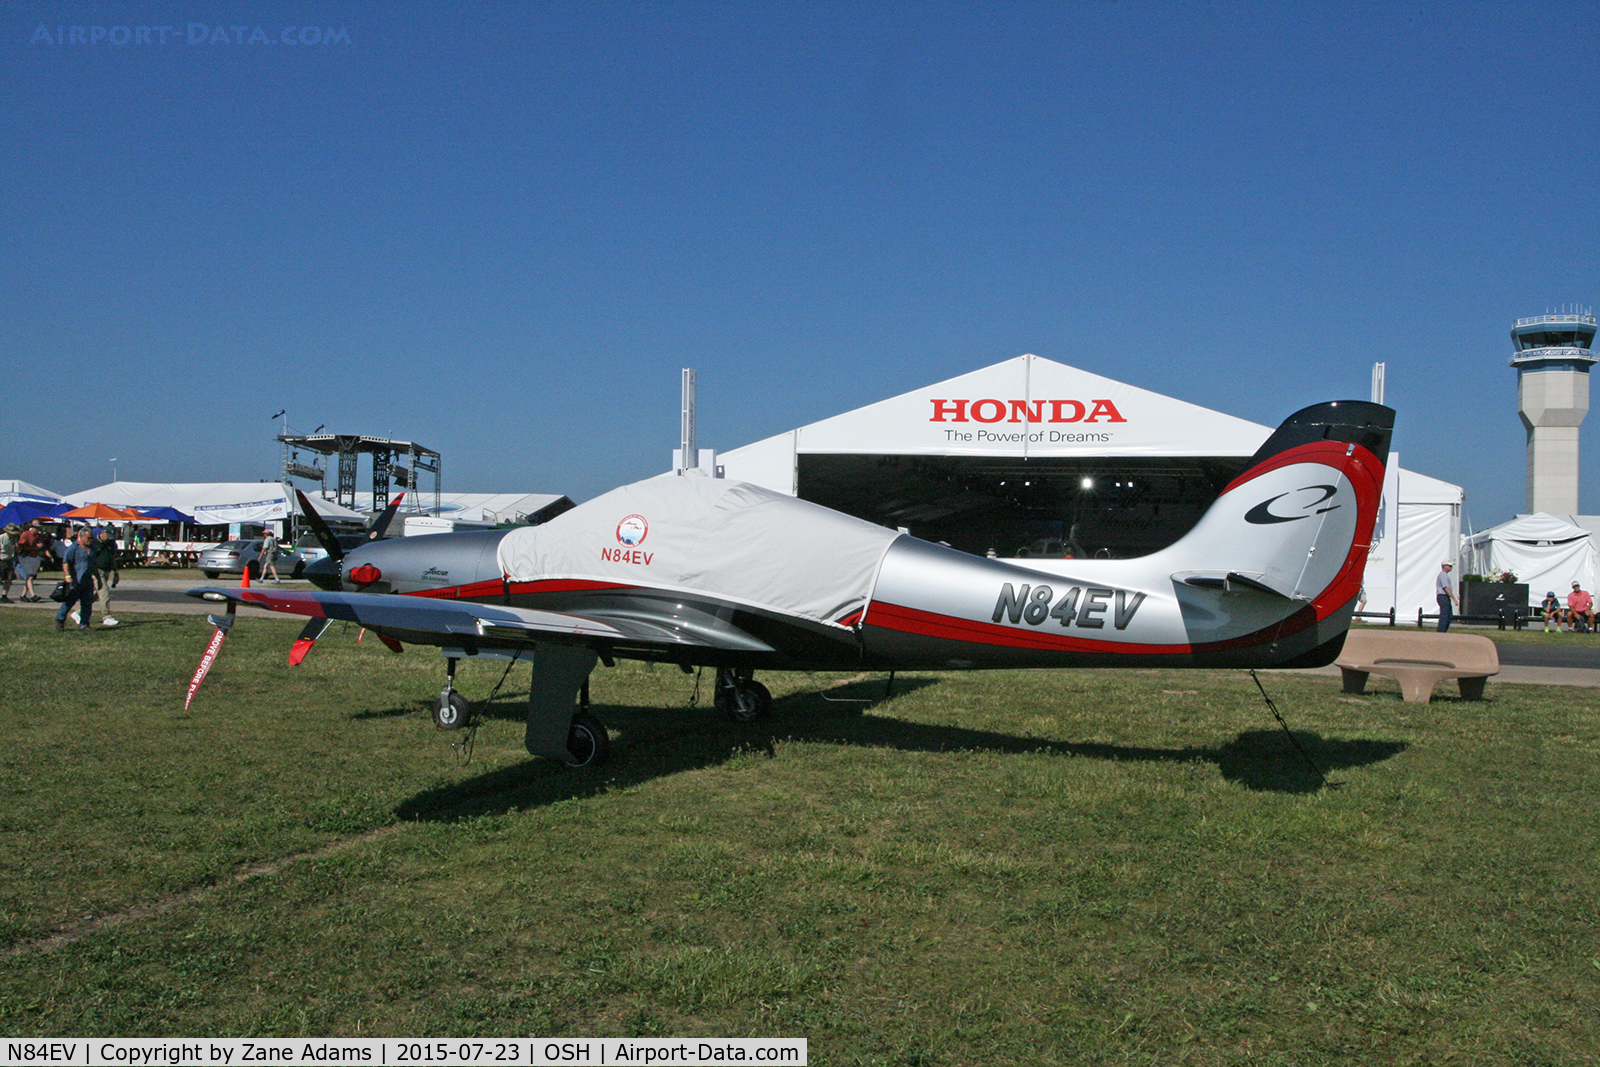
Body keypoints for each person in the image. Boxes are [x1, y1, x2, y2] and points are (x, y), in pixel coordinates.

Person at [55, 527, 97, 632]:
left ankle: (84, 624)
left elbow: (93, 564)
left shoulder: (92, 549)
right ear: (81, 537)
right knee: (69, 603)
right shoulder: (73, 548)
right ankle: (60, 620)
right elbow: (66, 563)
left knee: (87, 603)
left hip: (87, 581)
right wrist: (68, 576)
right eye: (88, 538)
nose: (90, 540)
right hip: (75, 581)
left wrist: (98, 579)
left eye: (91, 538)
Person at [92, 526, 121, 627]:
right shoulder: (94, 543)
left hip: (106, 571)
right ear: (102, 533)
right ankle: (106, 617)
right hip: (96, 571)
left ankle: (78, 613)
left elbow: (112, 558)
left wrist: (115, 572)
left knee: (95, 595)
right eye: (108, 536)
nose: (109, 539)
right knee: (104, 593)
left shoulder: (111, 544)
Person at [14, 520, 50, 602]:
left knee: (29, 577)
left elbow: (42, 546)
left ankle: (23, 595)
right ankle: (33, 595)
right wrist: (35, 547)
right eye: (37, 528)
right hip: (26, 557)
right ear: (32, 527)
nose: (38, 530)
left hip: (35, 556)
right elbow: (21, 547)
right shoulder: (26, 534)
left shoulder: (38, 536)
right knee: (30, 576)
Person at [1435, 561, 1458, 632]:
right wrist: (1454, 599)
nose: (1451, 567)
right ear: (1444, 566)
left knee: (1449, 616)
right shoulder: (1443, 575)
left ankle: (1443, 631)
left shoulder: (1445, 575)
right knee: (1445, 615)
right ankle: (1441, 632)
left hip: (1444, 597)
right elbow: (1446, 588)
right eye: (1449, 566)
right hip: (1443, 596)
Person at [0, 522, 17, 603]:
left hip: (9, 559)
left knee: (9, 578)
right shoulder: (1, 538)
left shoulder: (13, 539)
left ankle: (4, 595)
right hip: (1, 559)